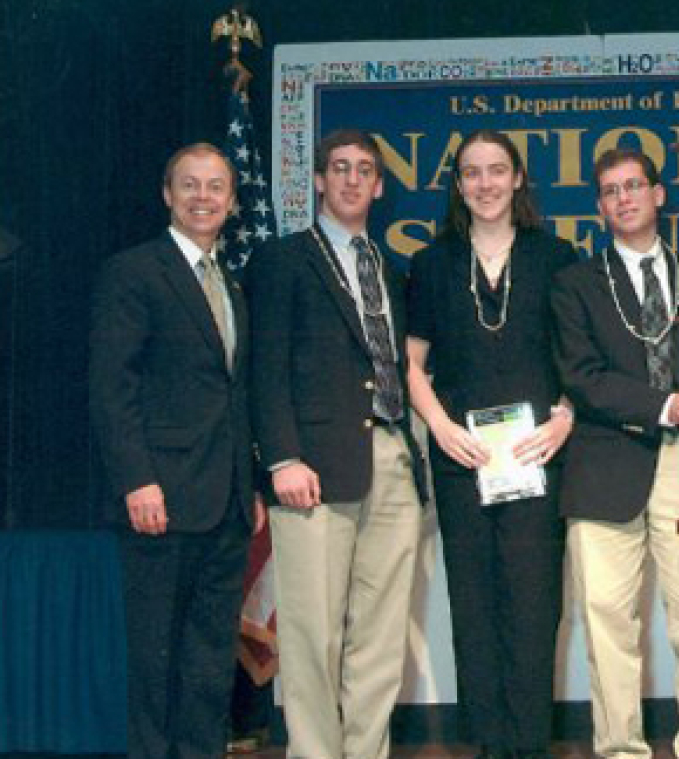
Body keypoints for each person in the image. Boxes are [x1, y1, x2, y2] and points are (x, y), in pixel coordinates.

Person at [249, 128, 427, 759]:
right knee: (312, 633)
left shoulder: (390, 268)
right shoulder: (282, 260)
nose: (352, 179)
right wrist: (282, 457)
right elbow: (264, 368)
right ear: (320, 180)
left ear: (379, 186)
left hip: (393, 463)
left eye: (364, 170)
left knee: (380, 638)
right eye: (339, 168)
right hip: (314, 468)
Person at [551, 147, 679, 759]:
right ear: (599, 207)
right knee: (609, 627)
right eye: (610, 191)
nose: (623, 198)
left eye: (634, 186)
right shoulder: (575, 284)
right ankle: (621, 750)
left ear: (659, 195)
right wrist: (662, 406)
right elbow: (582, 375)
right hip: (603, 466)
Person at [405, 130, 577, 759]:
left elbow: (579, 361)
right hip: (462, 462)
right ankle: (488, 745)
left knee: (534, 608)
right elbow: (411, 364)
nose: (485, 184)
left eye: (497, 171)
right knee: (473, 607)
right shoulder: (431, 263)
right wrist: (440, 429)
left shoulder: (556, 257)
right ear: (457, 185)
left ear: (518, 179)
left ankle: (530, 746)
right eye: (472, 173)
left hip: (536, 458)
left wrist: (564, 418)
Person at [89, 143, 258, 758]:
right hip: (160, 499)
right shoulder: (134, 272)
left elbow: (235, 394)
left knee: (210, 660)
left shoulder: (232, 284)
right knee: (156, 658)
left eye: (216, 187)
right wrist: (138, 480)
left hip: (227, 503)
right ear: (167, 194)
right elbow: (113, 389)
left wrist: (252, 485)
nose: (203, 198)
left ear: (233, 201)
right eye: (190, 185)